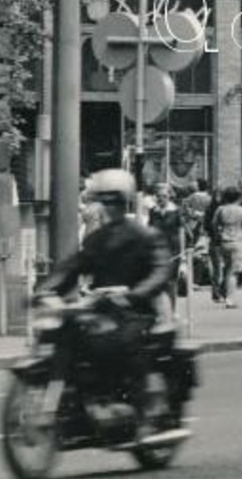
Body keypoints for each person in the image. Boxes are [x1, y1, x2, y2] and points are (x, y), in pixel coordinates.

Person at [37, 168, 173, 424]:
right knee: (68, 334)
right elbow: (73, 266)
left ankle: (142, 408)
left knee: (121, 343)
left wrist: (133, 294)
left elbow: (160, 270)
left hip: (136, 311)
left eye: (114, 202)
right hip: (102, 307)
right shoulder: (97, 239)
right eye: (105, 202)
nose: (109, 208)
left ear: (124, 202)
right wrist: (46, 290)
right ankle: (84, 399)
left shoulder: (145, 235)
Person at [209, 187, 242, 308]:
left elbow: (214, 224)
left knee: (228, 268)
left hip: (224, 242)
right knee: (234, 272)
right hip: (238, 242)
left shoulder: (220, 209)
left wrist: (220, 232)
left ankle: (224, 292)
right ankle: (230, 299)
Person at [148, 183, 183, 314]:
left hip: (173, 250)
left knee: (171, 282)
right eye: (158, 196)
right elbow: (150, 230)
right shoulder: (153, 211)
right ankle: (159, 311)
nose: (161, 199)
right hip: (156, 249)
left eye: (164, 196)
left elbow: (181, 231)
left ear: (169, 196)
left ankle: (172, 311)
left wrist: (182, 253)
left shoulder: (176, 211)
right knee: (157, 281)